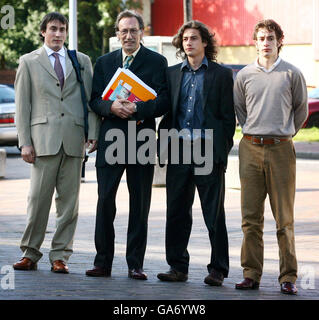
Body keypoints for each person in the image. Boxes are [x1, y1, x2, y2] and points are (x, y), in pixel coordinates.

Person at [12, 12, 100, 274]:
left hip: (74, 140)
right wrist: (24, 142)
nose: (59, 34)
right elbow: (22, 105)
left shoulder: (81, 60)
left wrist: (93, 131)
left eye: (62, 29)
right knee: (38, 200)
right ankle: (30, 253)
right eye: (53, 29)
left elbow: (90, 99)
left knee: (69, 204)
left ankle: (60, 255)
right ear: (43, 32)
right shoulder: (28, 61)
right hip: (42, 142)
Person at [86, 10, 169, 280]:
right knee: (105, 201)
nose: (129, 36)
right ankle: (103, 263)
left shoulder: (157, 62)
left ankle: (135, 264)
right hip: (111, 139)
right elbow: (94, 99)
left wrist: (138, 109)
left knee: (140, 203)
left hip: (142, 138)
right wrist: (110, 107)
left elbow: (164, 101)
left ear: (141, 32)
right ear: (117, 34)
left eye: (134, 31)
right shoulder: (104, 62)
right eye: (124, 31)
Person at [156, 20, 235, 286]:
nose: (188, 42)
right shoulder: (171, 74)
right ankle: (177, 267)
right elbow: (166, 110)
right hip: (178, 150)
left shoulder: (221, 75)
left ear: (204, 43)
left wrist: (221, 152)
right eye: (185, 39)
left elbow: (227, 118)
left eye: (194, 38)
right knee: (176, 211)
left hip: (207, 150)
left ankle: (218, 269)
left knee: (213, 212)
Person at [234, 19, 308, 295]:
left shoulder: (292, 74)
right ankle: (250, 274)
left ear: (279, 42)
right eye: (261, 38)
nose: (266, 43)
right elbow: (241, 111)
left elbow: (301, 111)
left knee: (284, 219)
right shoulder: (244, 76)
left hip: (281, 149)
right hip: (250, 147)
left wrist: (282, 133)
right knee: (250, 217)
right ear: (255, 42)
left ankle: (288, 276)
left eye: (270, 38)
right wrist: (256, 132)